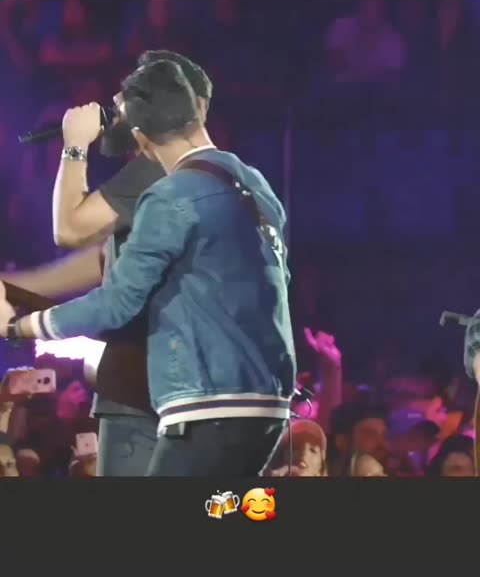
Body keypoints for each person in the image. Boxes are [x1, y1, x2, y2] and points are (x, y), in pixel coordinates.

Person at [0, 58, 295, 476]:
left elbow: (114, 299)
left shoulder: (170, 190)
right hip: (267, 401)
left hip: (203, 402)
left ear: (140, 131)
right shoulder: (253, 182)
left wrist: (17, 327)